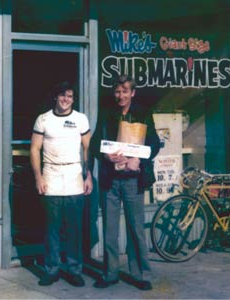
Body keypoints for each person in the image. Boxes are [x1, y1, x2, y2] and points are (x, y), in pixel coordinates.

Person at [91, 75, 160, 290]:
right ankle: (110, 273)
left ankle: (139, 274)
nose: (120, 95)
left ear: (133, 93)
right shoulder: (107, 114)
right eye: (117, 92)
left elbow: (155, 144)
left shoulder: (143, 113)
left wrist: (138, 159)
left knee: (135, 227)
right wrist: (106, 156)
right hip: (111, 180)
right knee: (110, 229)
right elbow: (95, 143)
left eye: (125, 91)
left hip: (133, 179)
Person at [30, 81, 93, 287]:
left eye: (70, 96)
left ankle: (74, 269)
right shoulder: (43, 119)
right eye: (62, 95)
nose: (66, 99)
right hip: (51, 176)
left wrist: (88, 176)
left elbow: (87, 149)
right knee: (52, 228)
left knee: (74, 228)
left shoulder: (80, 119)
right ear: (55, 97)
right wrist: (39, 177)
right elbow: (34, 150)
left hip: (75, 175)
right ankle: (52, 269)